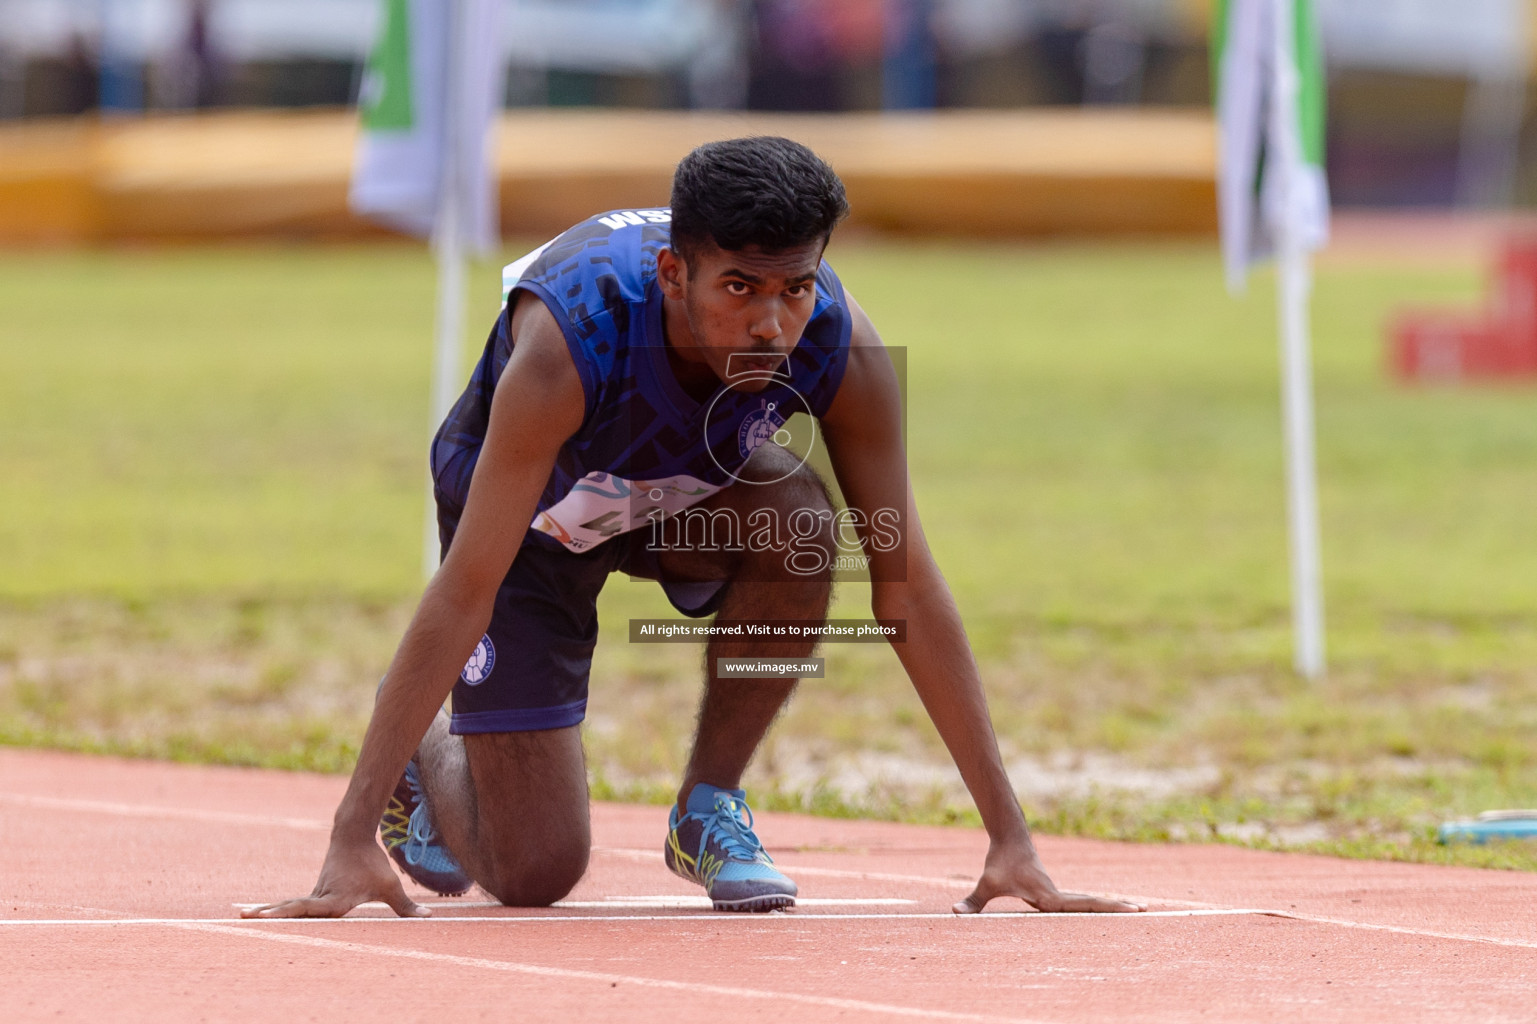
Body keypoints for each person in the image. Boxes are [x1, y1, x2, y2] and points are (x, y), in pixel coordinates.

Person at [246, 136, 1141, 919]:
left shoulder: (839, 346)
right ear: (675, 273)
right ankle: (426, 749)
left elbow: (906, 585)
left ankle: (708, 804)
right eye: (740, 288)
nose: (769, 323)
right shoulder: (570, 342)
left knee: (801, 518)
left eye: (795, 288)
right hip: (534, 516)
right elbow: (464, 590)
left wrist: (1009, 839)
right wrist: (349, 831)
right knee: (535, 873)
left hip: (682, 489)